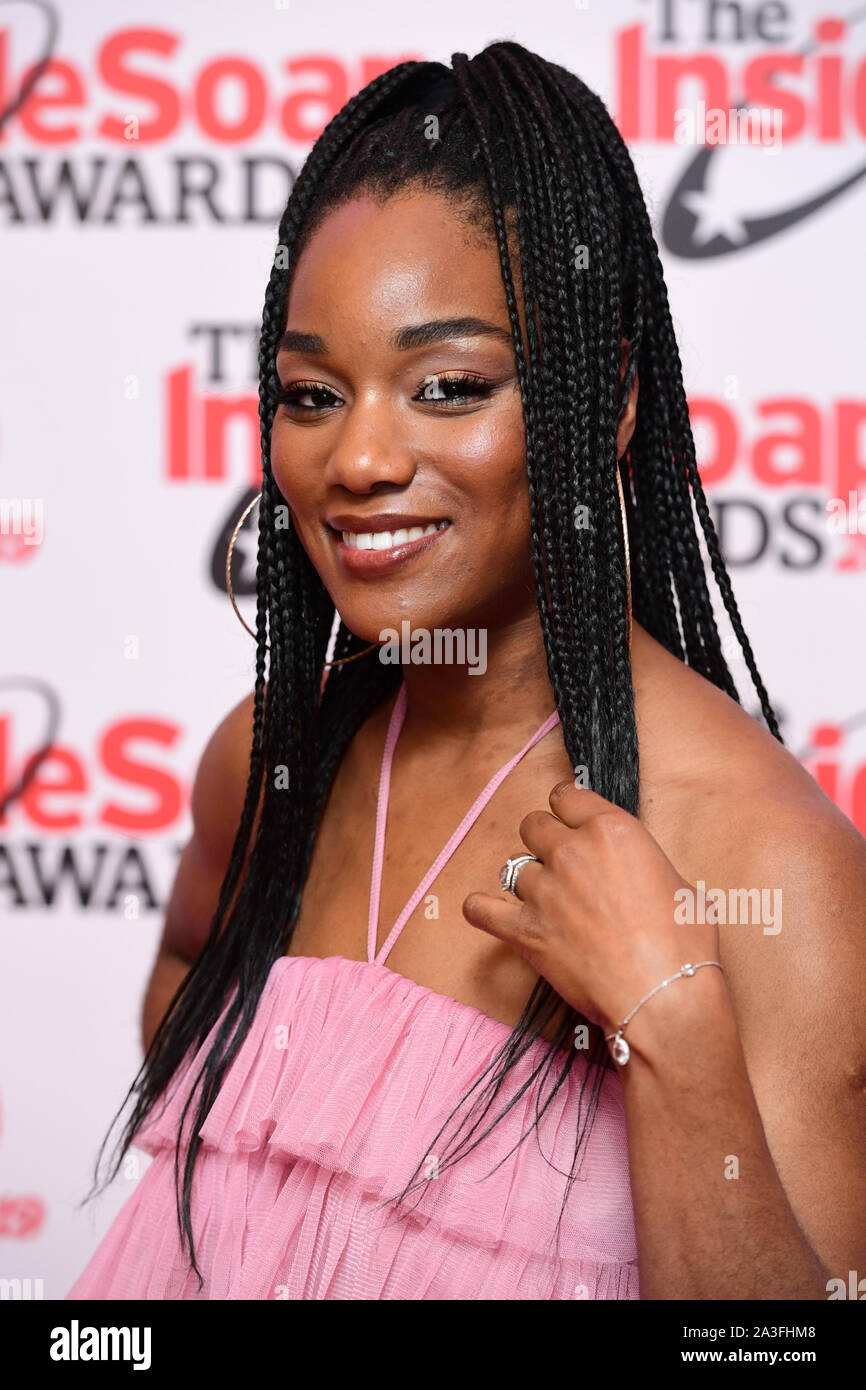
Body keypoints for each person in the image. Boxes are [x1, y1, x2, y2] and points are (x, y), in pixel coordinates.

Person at [68, 41, 866, 1301]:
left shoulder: (763, 866)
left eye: (446, 385)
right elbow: (184, 971)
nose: (360, 459)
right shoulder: (267, 764)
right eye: (311, 393)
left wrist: (674, 1029)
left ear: (599, 398)